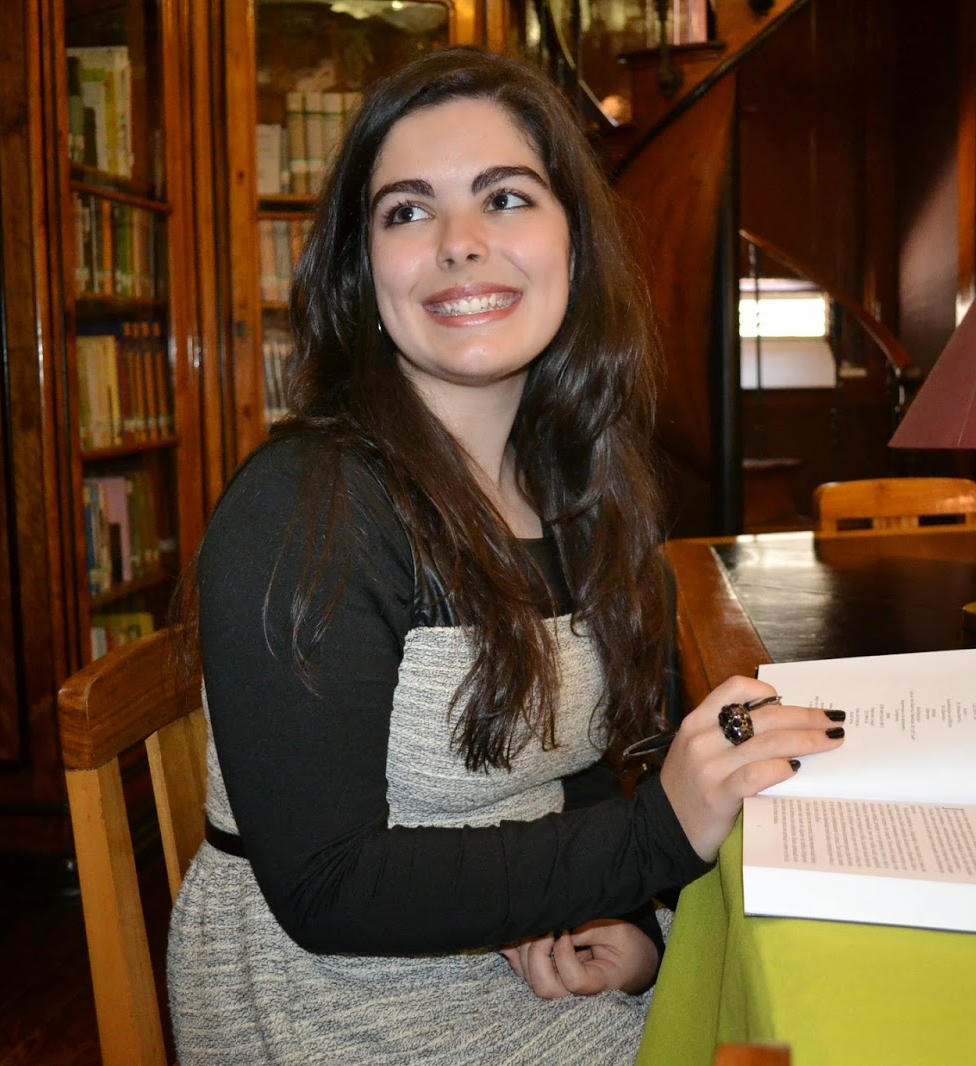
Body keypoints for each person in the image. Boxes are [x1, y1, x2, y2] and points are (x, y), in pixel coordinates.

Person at [167, 46, 845, 1065]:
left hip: (516, 966)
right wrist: (653, 839)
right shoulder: (306, 504)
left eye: (506, 198)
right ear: (362, 269)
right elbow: (326, 887)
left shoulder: (571, 483)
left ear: (575, 241)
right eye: (407, 211)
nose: (459, 244)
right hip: (334, 1009)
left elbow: (568, 768)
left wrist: (630, 926)